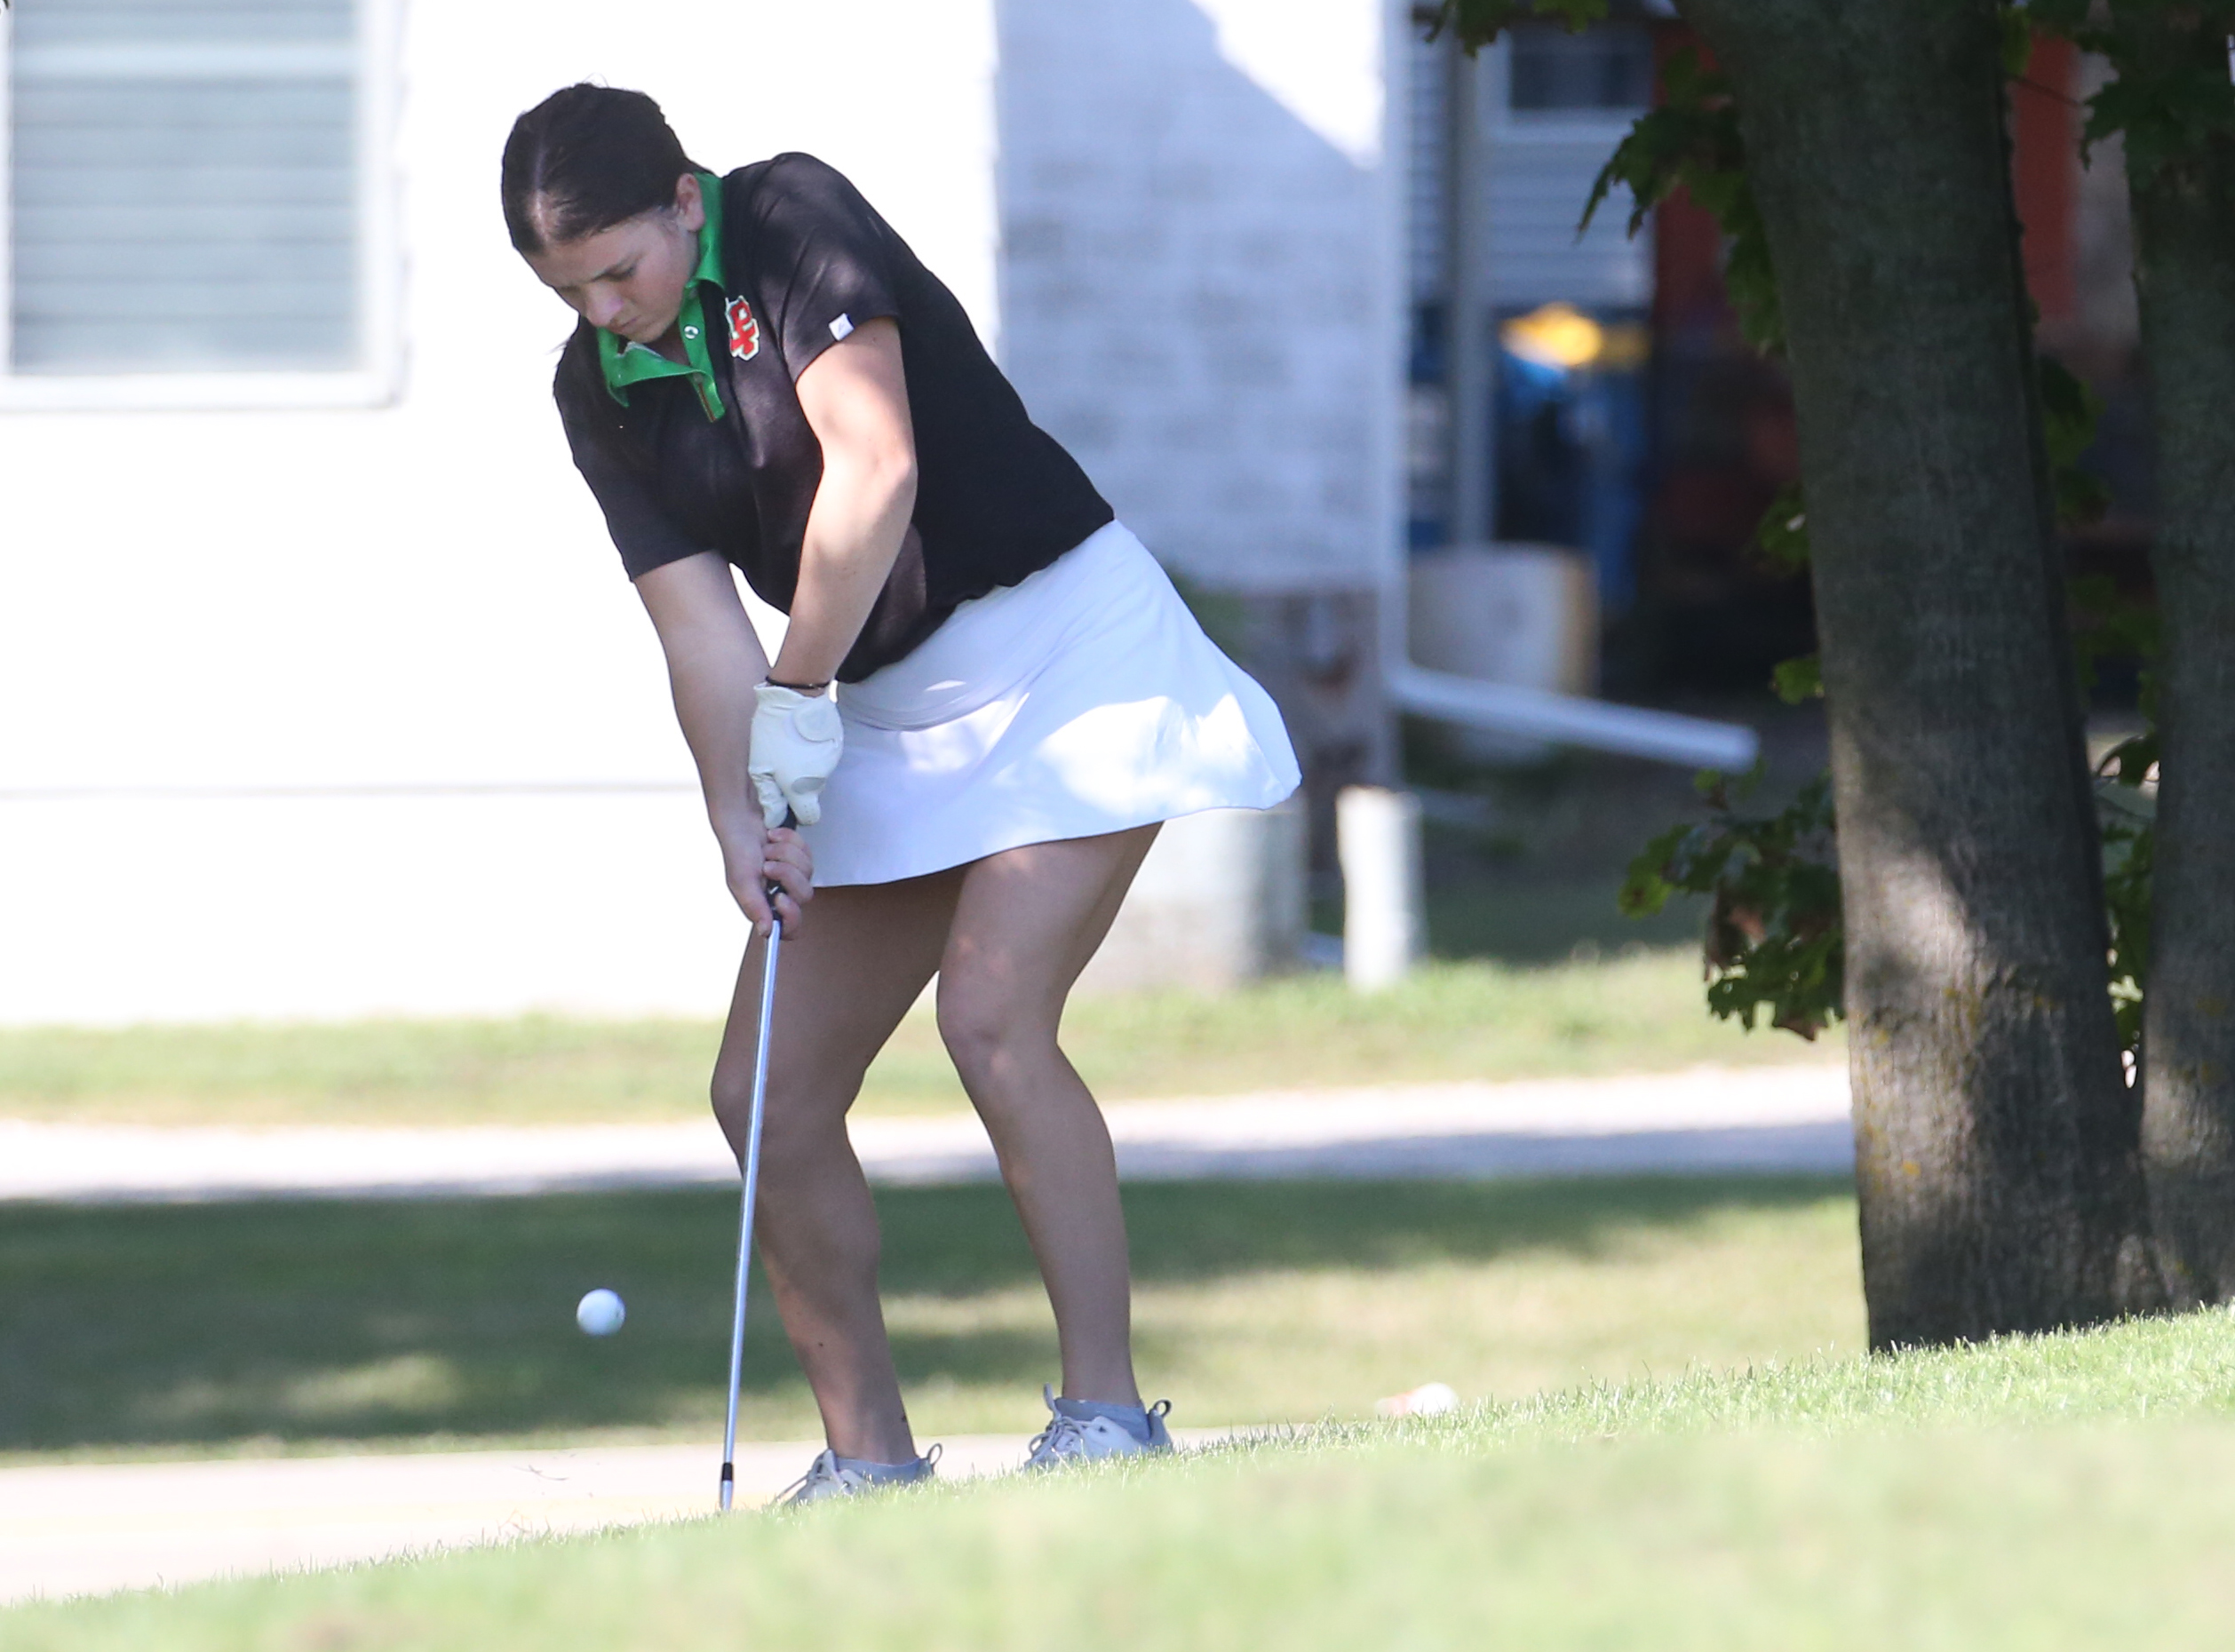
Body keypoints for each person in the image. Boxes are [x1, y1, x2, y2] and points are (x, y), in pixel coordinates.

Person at [501, 84, 1300, 1504]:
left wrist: (798, 705)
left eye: (618, 270)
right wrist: (739, 819)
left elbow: (875, 470)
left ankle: (1108, 1422)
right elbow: (696, 631)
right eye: (570, 293)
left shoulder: (791, 214)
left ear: (683, 197)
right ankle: (869, 1462)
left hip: (1064, 650)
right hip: (873, 707)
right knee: (764, 1088)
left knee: (992, 1017)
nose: (606, 312)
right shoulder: (595, 389)